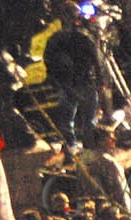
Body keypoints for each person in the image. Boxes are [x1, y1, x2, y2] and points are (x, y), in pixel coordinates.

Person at [42, 5, 101, 149]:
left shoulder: (55, 39)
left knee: (67, 119)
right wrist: (99, 78)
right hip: (82, 82)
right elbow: (96, 60)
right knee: (88, 119)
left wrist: (55, 80)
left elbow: (48, 61)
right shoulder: (83, 38)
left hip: (68, 84)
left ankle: (71, 146)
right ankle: (88, 144)